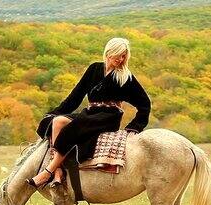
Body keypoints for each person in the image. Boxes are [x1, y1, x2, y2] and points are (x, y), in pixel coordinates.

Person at [27, 37, 151, 188]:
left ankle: (47, 172)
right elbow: (76, 96)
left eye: (124, 56)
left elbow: (144, 103)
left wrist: (134, 127)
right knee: (57, 121)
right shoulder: (94, 69)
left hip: (109, 117)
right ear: (109, 52)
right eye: (119, 54)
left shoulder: (125, 77)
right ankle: (58, 171)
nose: (121, 59)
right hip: (91, 113)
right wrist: (55, 112)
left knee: (77, 126)